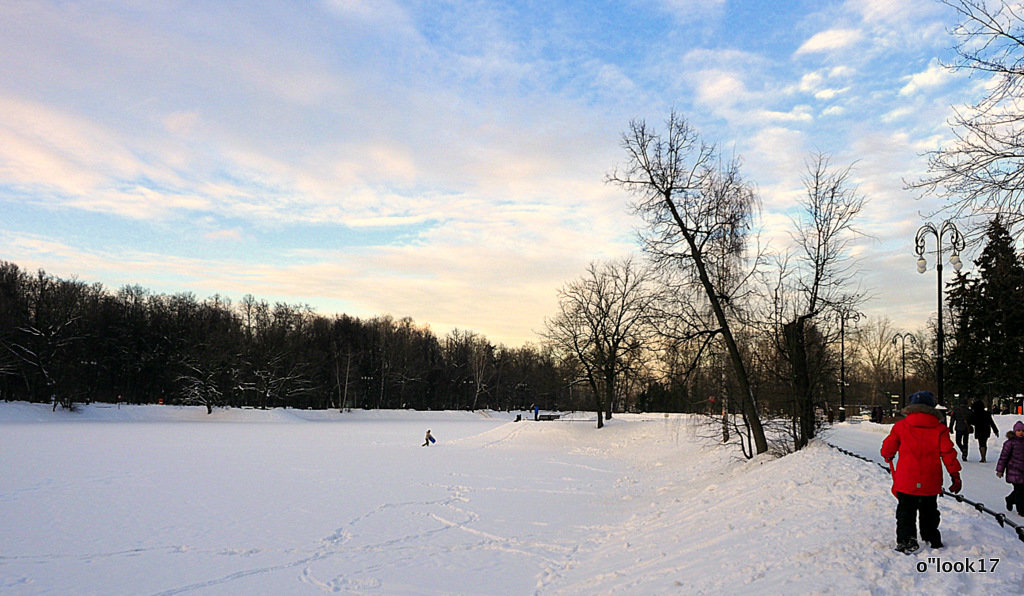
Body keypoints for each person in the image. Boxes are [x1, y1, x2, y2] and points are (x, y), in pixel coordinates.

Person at [881, 390, 962, 554]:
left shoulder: (900, 426)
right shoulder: (940, 429)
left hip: (906, 479)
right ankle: (931, 536)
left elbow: (888, 449)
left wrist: (888, 455)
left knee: (905, 511)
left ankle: (906, 540)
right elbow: (948, 454)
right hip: (930, 480)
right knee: (929, 510)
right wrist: (955, 475)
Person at [996, 421, 1024, 514]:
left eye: (1023, 431)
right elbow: (1004, 457)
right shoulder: (1010, 443)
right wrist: (1000, 470)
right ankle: (1021, 510)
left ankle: (1010, 499)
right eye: (1019, 430)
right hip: (1014, 470)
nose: (1021, 432)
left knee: (1020, 489)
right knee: (1020, 490)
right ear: (1014, 431)